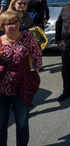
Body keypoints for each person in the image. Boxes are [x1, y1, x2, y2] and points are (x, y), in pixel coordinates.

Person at [0, 11, 42, 145]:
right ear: (3, 26)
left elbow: (37, 56)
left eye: (15, 22)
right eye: (9, 23)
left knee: (22, 122)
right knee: (1, 124)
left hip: (23, 85)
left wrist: (34, 74)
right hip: (2, 88)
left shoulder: (28, 37)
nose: (13, 25)